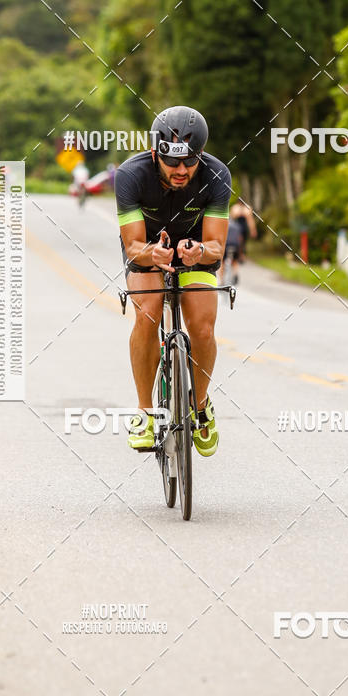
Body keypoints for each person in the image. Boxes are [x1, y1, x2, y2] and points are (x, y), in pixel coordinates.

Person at [115, 106, 231, 456]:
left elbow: (217, 246)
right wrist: (153, 254)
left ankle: (200, 406)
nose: (181, 170)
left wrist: (199, 252)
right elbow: (133, 246)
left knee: (203, 328)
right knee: (147, 314)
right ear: (155, 153)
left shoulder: (216, 174)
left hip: (196, 251)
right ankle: (145, 413)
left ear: (201, 155)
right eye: (171, 162)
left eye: (190, 161)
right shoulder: (131, 175)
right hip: (148, 250)